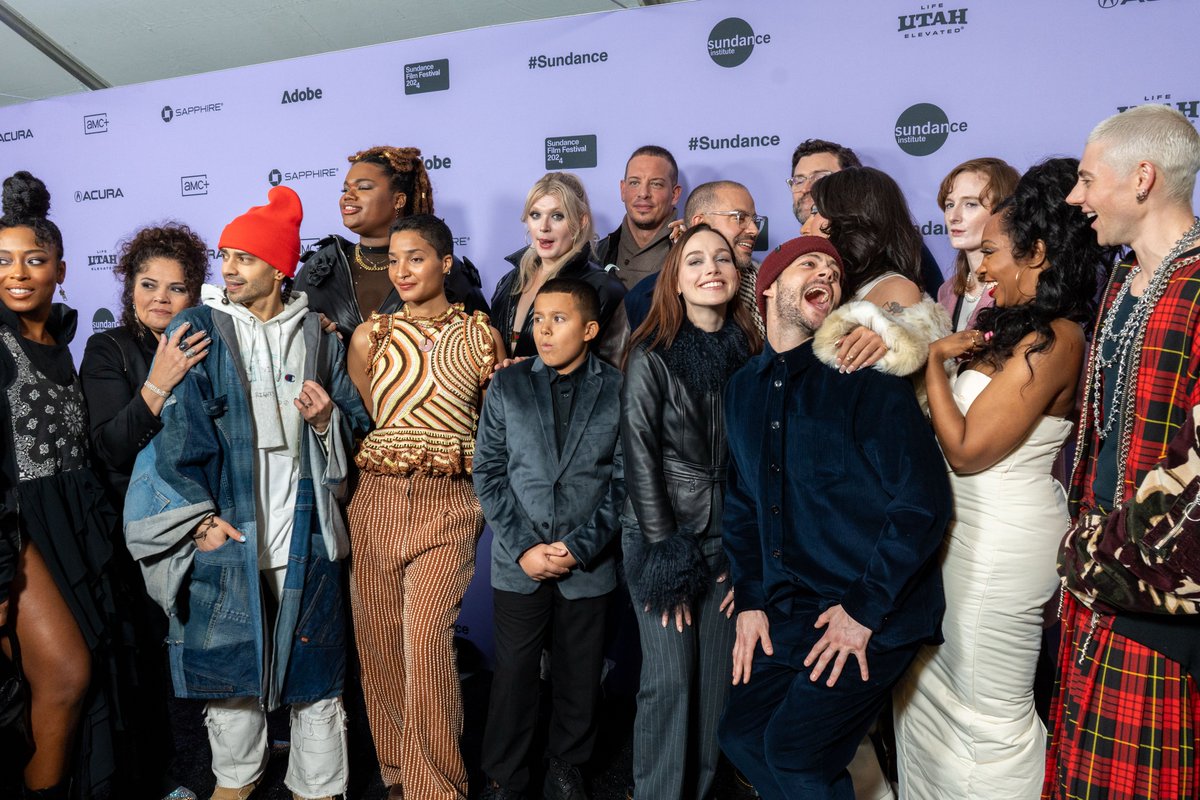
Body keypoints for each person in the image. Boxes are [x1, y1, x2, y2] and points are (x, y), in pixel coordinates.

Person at [123, 186, 369, 800]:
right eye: (225, 255)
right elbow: (174, 432)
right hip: (229, 518)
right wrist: (198, 519)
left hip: (302, 517)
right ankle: (235, 779)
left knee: (314, 663)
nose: (228, 268)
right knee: (230, 659)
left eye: (244, 257)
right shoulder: (198, 327)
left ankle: (319, 785)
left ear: (280, 268)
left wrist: (324, 422)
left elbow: (354, 424)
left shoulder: (320, 335)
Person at [892, 158, 1112, 799]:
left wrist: (934, 360)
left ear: (1037, 252)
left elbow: (963, 449)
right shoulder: (1015, 329)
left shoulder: (1057, 339)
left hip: (998, 546)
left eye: (991, 252)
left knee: (986, 715)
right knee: (930, 693)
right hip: (959, 532)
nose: (981, 268)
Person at [718, 236, 951, 800]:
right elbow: (744, 503)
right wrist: (751, 600)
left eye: (834, 268)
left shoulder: (865, 375)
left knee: (797, 756)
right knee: (742, 735)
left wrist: (863, 609)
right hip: (792, 607)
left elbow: (923, 504)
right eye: (808, 263)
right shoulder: (742, 388)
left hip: (873, 606)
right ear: (769, 285)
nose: (826, 271)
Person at [1047, 104, 1200, 799]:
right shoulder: (1120, 282)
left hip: (1160, 608)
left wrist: (1107, 556)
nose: (1076, 197)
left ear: (1143, 179)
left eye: (1086, 178)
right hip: (1093, 593)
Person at [345, 214, 503, 799]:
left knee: (429, 637)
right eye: (394, 260)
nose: (403, 270)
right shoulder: (371, 335)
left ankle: (435, 787)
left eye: (416, 257)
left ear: (445, 263)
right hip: (378, 500)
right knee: (380, 641)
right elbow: (371, 412)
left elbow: (493, 428)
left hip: (450, 504)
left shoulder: (482, 334)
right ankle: (395, 774)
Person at [621, 224, 761, 799]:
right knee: (669, 680)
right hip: (662, 539)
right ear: (675, 281)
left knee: (716, 687)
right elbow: (638, 455)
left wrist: (745, 552)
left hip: (726, 541)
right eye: (696, 260)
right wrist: (666, 552)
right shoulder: (649, 356)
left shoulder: (753, 354)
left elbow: (757, 463)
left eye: (722, 259)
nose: (711, 268)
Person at [474, 278, 625, 800]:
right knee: (513, 673)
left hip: (589, 565)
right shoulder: (508, 386)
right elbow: (489, 473)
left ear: (589, 329)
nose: (543, 329)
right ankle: (505, 774)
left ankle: (568, 765)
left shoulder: (618, 387)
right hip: (520, 562)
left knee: (580, 674)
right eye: (538, 318)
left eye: (558, 319)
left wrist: (580, 547)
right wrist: (524, 548)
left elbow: (625, 483)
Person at [0, 171, 124, 799]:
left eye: (34, 259)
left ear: (61, 268)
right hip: (15, 528)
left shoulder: (64, 344)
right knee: (66, 673)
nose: (16, 273)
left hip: (72, 522)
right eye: (1, 260)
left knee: (81, 676)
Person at [79, 222, 210, 800]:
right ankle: (162, 776)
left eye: (176, 287)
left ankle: (237, 760)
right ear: (129, 287)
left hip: (207, 516)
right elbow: (110, 447)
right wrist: (156, 385)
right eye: (148, 283)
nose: (160, 297)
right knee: (150, 661)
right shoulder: (107, 348)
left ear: (195, 293)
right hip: (135, 528)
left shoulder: (208, 340)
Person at [296, 145, 488, 341]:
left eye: (363, 187)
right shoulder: (321, 267)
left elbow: (482, 343)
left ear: (398, 200)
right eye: (345, 189)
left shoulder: (444, 269)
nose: (348, 196)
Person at [805, 166, 950, 379]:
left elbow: (892, 385)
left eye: (817, 212)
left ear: (847, 217)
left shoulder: (896, 288)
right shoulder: (838, 286)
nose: (804, 228)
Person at [491, 173, 626, 365]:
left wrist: (535, 370)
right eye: (536, 215)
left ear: (581, 222)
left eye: (557, 216)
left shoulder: (603, 288)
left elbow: (610, 372)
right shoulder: (507, 282)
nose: (544, 227)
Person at [788, 138, 943, 296]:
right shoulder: (793, 255)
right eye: (798, 180)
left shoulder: (897, 249)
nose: (807, 188)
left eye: (820, 178)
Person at [623, 181, 764, 336]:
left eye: (755, 220)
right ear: (701, 223)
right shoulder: (648, 298)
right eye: (740, 217)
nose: (754, 230)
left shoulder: (764, 285)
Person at [934, 158, 1020, 332]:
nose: (953, 216)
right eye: (950, 204)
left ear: (1003, 212)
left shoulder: (1018, 291)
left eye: (970, 204)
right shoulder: (946, 291)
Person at [594, 145, 682, 290]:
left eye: (656, 184)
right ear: (623, 190)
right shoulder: (597, 254)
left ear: (675, 194)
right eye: (634, 183)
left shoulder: (690, 251)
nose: (643, 193)